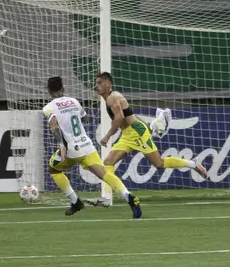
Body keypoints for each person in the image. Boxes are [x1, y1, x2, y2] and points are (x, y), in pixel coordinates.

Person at [86, 72, 208, 208]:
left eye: (100, 83)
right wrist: (147, 126)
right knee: (108, 162)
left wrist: (108, 135)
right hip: (128, 134)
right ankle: (107, 198)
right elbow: (131, 114)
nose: (97, 86)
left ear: (108, 84)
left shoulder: (112, 98)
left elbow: (119, 118)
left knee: (159, 164)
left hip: (136, 133)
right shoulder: (113, 97)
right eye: (96, 83)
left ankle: (193, 164)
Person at [43, 76, 142, 218]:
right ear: (63, 88)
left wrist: (60, 144)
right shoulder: (74, 101)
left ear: (49, 91)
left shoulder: (48, 107)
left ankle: (75, 202)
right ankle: (128, 196)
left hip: (71, 148)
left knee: (53, 170)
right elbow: (85, 118)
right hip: (87, 145)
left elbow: (54, 125)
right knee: (105, 174)